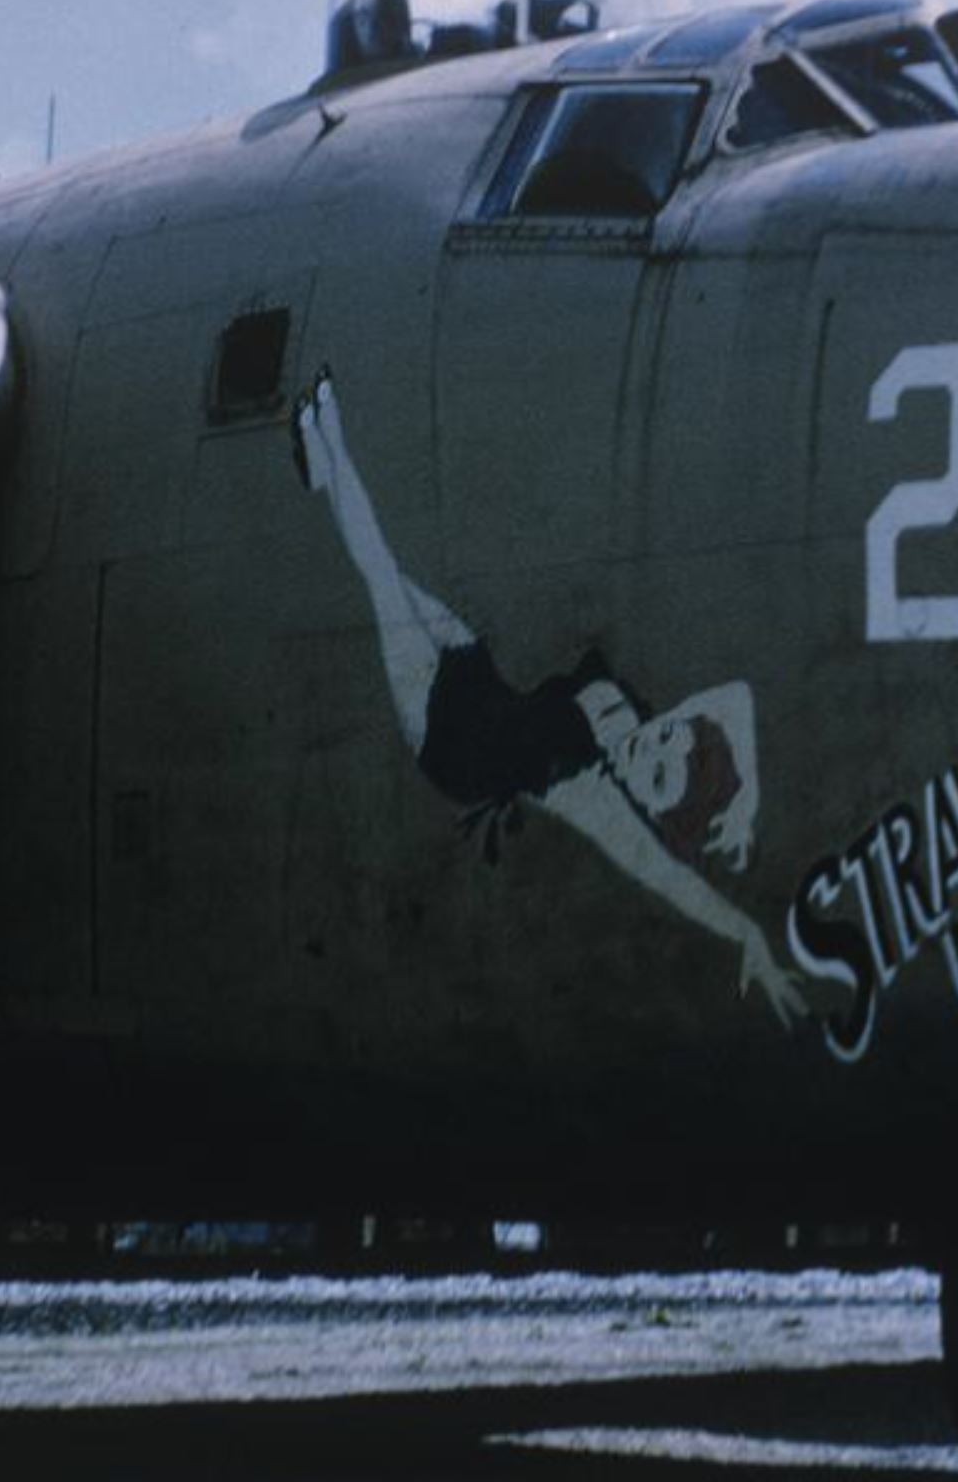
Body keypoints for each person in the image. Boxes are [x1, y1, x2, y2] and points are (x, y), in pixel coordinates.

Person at [292, 369, 805, 1026]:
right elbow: (733, 699)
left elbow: (667, 877)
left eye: (652, 775)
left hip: (446, 737)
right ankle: (323, 467)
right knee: (389, 572)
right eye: (674, 739)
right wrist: (745, 800)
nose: (656, 744)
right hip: (479, 679)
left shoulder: (586, 787)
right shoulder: (643, 717)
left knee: (382, 579)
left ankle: (324, 436)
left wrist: (748, 935)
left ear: (639, 799)